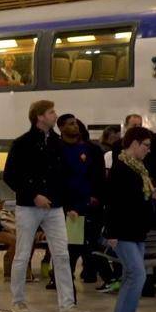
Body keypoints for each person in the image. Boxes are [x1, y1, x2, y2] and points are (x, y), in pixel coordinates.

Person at [3, 99, 90, 312]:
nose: (55, 115)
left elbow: (63, 177)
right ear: (40, 116)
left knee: (61, 254)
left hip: (55, 207)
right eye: (51, 112)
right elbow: (11, 175)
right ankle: (18, 301)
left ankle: (67, 306)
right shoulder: (21, 143)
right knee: (22, 254)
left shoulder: (57, 144)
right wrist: (34, 194)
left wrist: (69, 205)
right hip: (29, 206)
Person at [104, 126, 156, 312]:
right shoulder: (121, 169)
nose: (148, 150)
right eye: (146, 145)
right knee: (137, 274)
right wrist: (112, 232)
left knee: (132, 275)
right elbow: (113, 202)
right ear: (134, 144)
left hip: (136, 229)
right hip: (123, 231)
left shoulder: (139, 168)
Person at [59, 114, 108, 294]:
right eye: (70, 124)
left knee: (91, 241)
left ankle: (101, 274)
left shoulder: (92, 150)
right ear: (61, 128)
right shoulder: (58, 150)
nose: (75, 127)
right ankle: (65, 279)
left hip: (91, 205)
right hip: (72, 207)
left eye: (76, 124)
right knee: (73, 244)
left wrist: (97, 196)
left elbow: (99, 175)